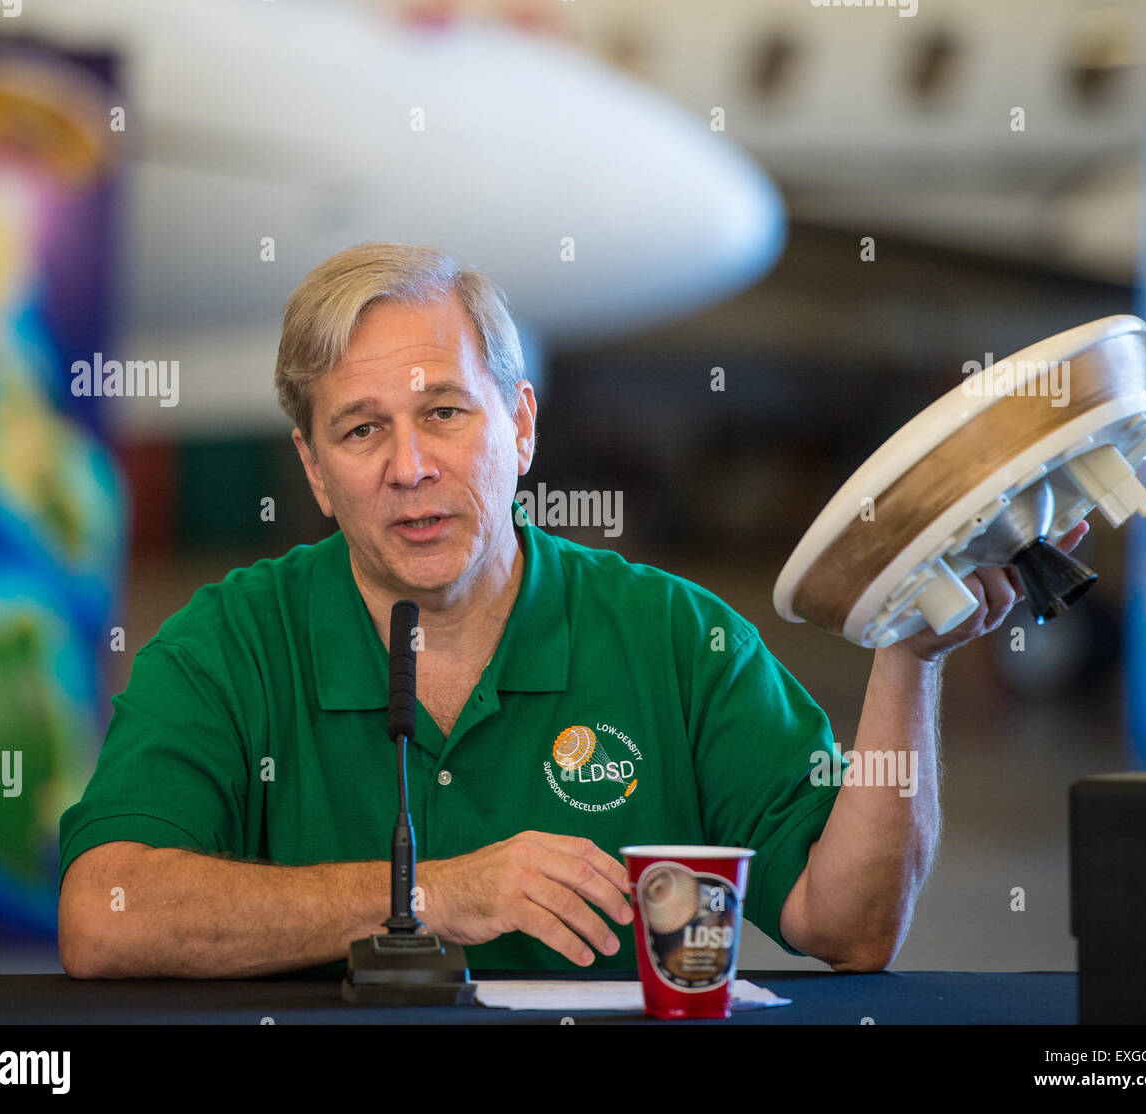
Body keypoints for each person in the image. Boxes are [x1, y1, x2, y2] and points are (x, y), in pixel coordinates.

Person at [57, 242, 1087, 979]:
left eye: (444, 414)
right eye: (362, 430)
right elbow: (105, 916)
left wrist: (909, 661)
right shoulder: (227, 644)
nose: (409, 467)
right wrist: (433, 892)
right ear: (314, 472)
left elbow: (846, 926)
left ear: (521, 424)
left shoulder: (679, 639)